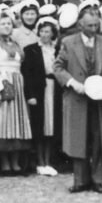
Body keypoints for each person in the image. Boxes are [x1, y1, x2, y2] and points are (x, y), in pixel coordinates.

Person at [54, 6, 102, 194]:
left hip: (101, 100)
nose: (94, 29)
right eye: (90, 25)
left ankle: (98, 179)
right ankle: (80, 180)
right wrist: (73, 83)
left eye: (96, 25)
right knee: (79, 139)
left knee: (100, 138)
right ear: (79, 25)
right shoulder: (68, 42)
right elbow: (58, 67)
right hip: (78, 98)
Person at [0, 12, 34, 174]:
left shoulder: (15, 44)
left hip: (17, 84)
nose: (6, 26)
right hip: (3, 83)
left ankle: (15, 161)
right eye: (3, 23)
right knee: (4, 122)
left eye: (9, 23)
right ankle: (4, 162)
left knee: (17, 122)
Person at [22, 15, 62, 176]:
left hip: (54, 88)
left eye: (48, 31)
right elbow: (27, 74)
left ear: (53, 33)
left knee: (52, 125)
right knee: (40, 125)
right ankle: (40, 161)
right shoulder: (31, 49)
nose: (45, 34)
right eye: (42, 31)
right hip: (40, 90)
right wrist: (30, 94)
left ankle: (49, 161)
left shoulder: (58, 50)